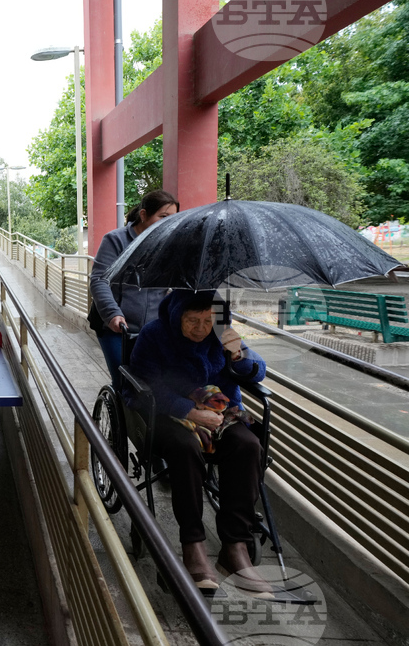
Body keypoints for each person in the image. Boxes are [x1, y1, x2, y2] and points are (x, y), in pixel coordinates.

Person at [127, 290, 272, 597]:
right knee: (185, 448)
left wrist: (239, 355)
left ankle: (234, 548)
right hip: (168, 414)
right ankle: (193, 544)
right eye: (192, 320)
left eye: (208, 320)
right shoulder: (155, 335)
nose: (200, 328)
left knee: (248, 447)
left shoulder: (223, 332)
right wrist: (189, 411)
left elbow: (259, 369)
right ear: (177, 314)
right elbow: (144, 387)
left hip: (219, 412)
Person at [89, 190, 179, 384]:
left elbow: (179, 283)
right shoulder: (115, 240)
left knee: (154, 384)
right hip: (117, 327)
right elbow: (99, 279)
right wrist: (113, 314)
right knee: (125, 382)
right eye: (163, 217)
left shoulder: (169, 245)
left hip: (153, 329)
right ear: (144, 215)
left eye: (172, 218)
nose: (168, 223)